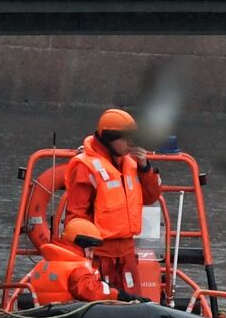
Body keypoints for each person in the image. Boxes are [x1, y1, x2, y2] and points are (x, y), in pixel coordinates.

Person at [63, 108, 163, 299]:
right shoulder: (85, 166)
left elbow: (151, 197)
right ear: (109, 138)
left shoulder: (133, 165)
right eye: (126, 138)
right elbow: (76, 216)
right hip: (99, 254)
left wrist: (146, 169)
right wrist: (85, 255)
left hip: (126, 253)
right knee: (103, 303)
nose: (131, 144)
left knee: (134, 302)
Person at [24, 218, 145, 304]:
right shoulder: (77, 269)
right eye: (90, 250)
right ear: (80, 246)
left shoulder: (43, 264)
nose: (92, 255)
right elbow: (91, 291)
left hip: (43, 315)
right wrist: (121, 296)